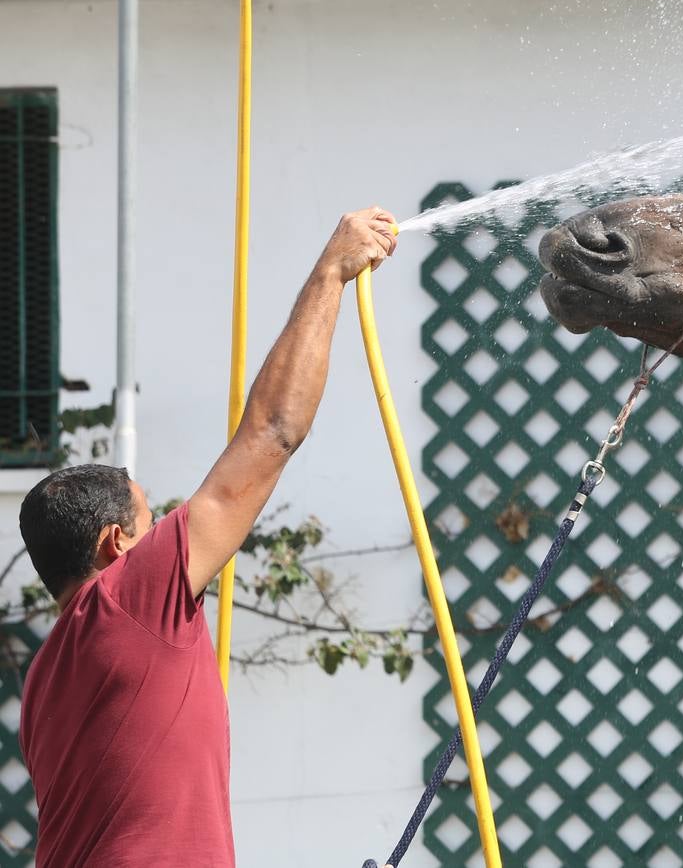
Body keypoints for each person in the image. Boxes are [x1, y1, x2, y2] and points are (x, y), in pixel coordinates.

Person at [17, 209, 398, 867]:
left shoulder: (43, 680)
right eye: (150, 518)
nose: (168, 531)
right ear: (116, 544)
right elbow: (273, 431)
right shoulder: (128, 601)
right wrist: (331, 271)